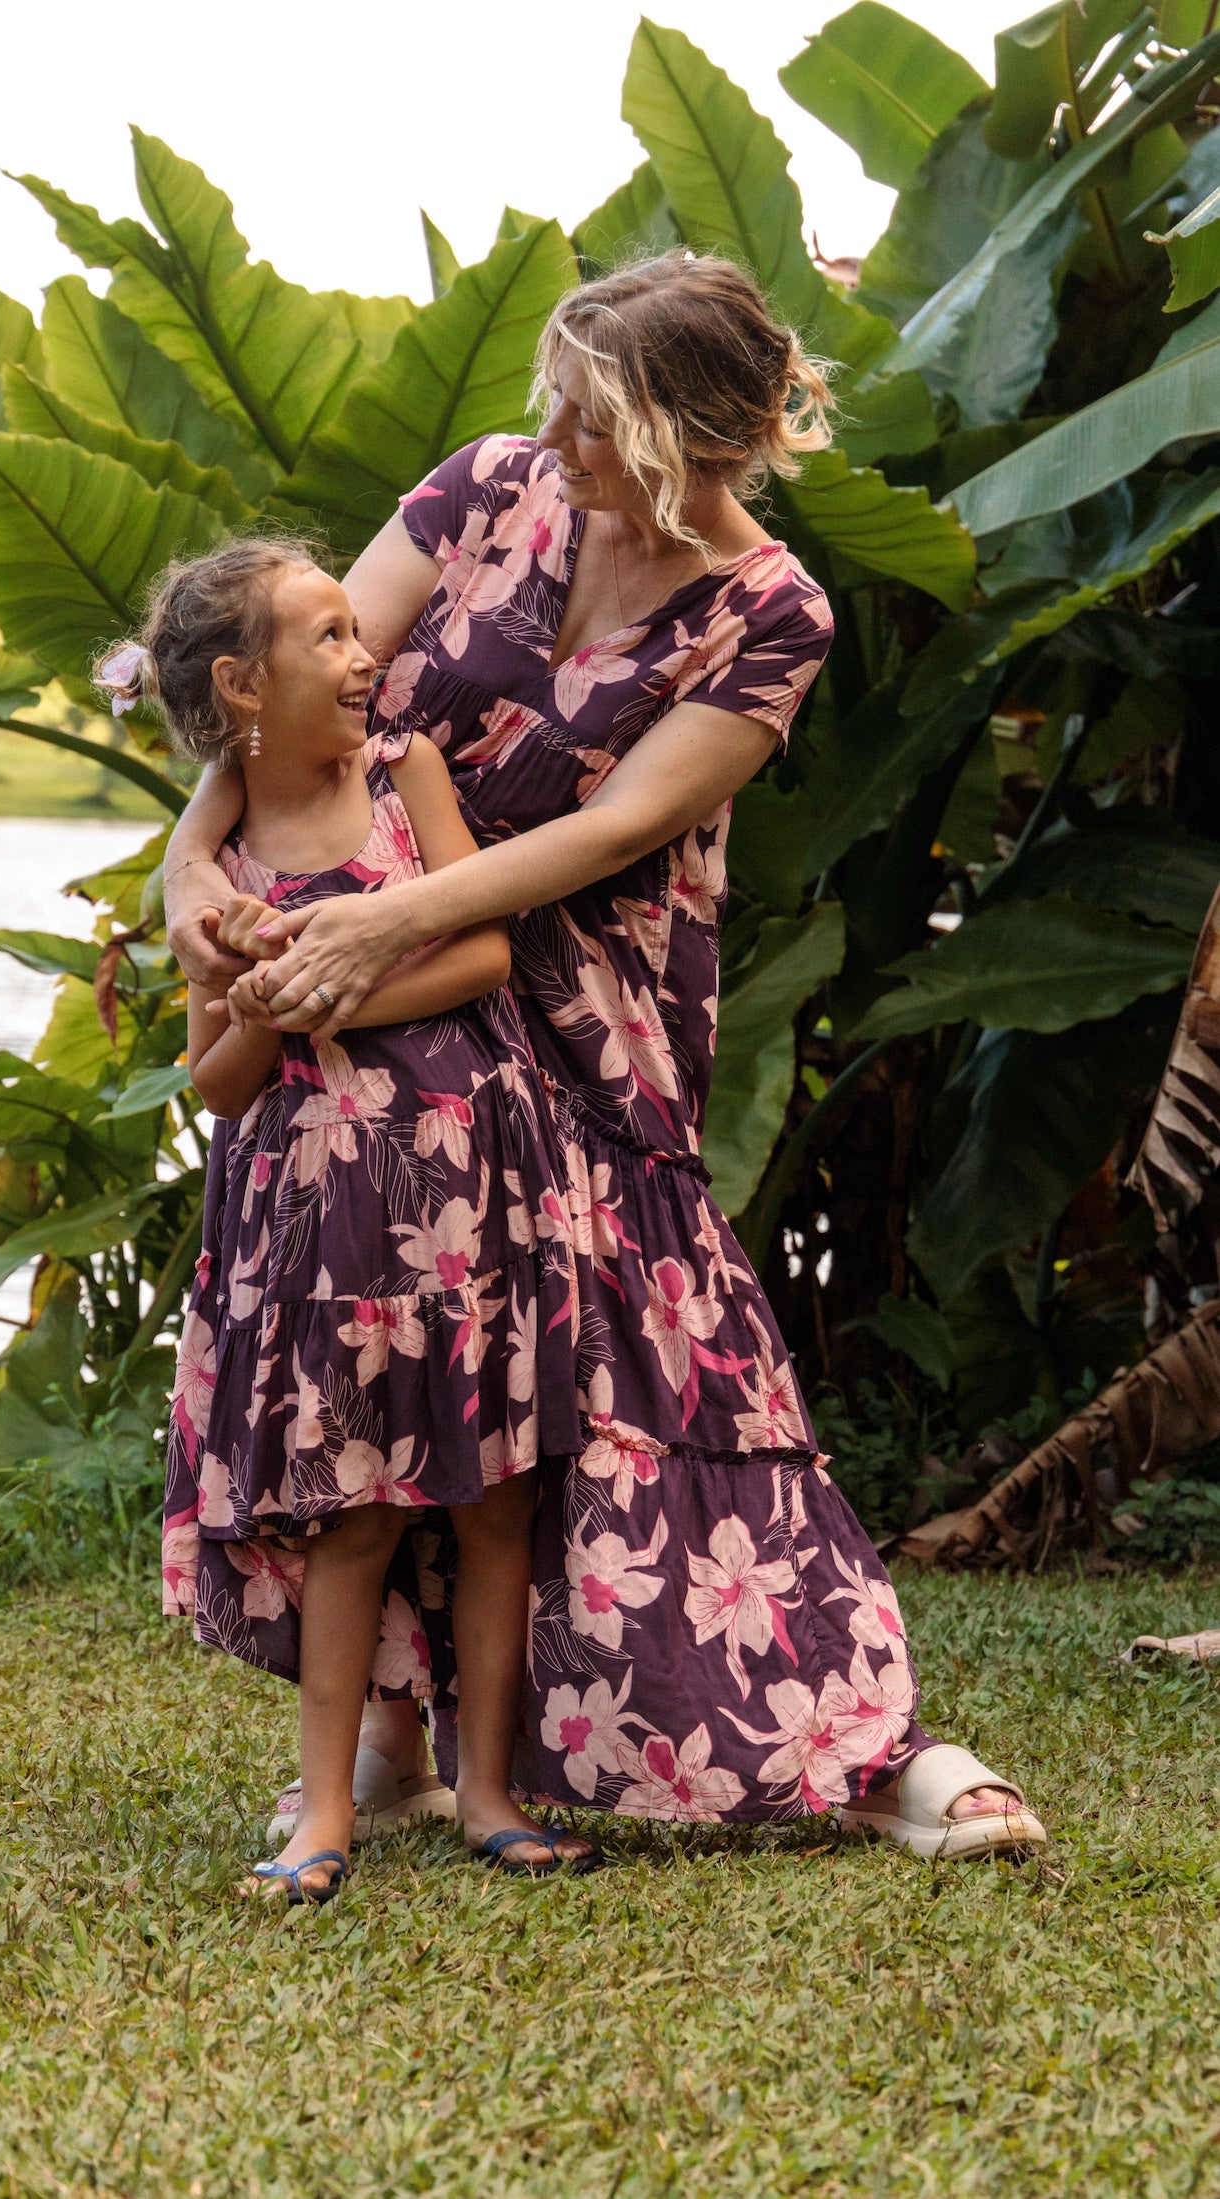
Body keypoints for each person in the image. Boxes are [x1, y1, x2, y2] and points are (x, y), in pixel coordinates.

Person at [165, 252, 1047, 1861]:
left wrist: (393, 923)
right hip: (393, 1021)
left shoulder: (773, 611)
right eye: (557, 403)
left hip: (580, 1015)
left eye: (588, 415)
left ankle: (872, 1744)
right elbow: (284, 716)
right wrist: (189, 877)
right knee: (427, 1351)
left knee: (664, 1376)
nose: (548, 433)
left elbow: (625, 824)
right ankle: (414, 1739)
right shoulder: (485, 492)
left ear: (697, 437)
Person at [115, 538, 595, 1901]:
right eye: (325, 637)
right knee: (351, 1512)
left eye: (352, 628)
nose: (364, 654)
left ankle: (487, 1788)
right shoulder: (225, 866)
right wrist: (256, 1008)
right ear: (242, 687)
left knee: (498, 1494)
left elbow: (490, 948)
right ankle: (324, 1809)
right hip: (320, 1225)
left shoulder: (404, 776)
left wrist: (337, 990)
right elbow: (216, 1083)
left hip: (466, 1189)